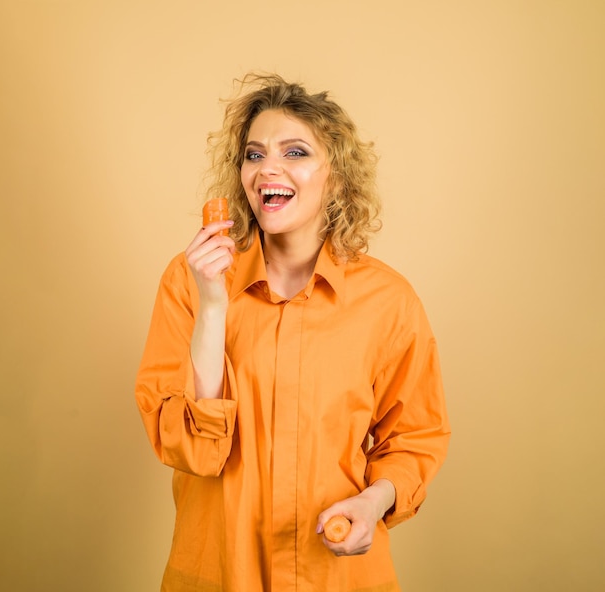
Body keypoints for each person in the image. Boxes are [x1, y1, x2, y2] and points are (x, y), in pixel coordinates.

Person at [135, 73, 450, 592]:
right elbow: (191, 450)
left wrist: (373, 503)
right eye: (254, 155)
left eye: (296, 152)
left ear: (338, 178)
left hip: (338, 575)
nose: (267, 170)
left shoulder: (388, 301)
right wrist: (213, 310)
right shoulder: (188, 281)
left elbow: (415, 438)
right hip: (220, 571)